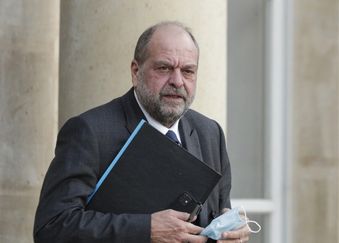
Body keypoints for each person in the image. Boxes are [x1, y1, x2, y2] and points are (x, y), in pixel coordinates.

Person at [33, 21, 251, 243]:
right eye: (164, 68)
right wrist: (146, 229)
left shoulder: (210, 134)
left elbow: (216, 215)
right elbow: (51, 227)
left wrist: (229, 232)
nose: (177, 81)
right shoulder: (90, 132)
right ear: (136, 72)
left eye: (188, 71)